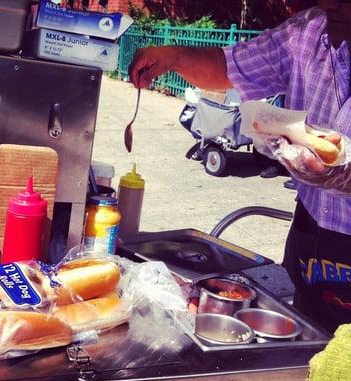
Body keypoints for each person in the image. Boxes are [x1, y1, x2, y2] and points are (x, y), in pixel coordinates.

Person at [129, 0, 351, 334]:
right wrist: (172, 57)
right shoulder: (308, 32)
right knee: (307, 347)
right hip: (310, 231)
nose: (330, 3)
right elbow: (229, 67)